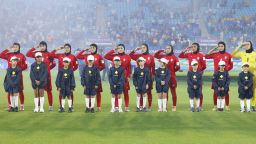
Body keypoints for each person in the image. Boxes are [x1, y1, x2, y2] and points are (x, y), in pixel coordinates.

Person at [26, 41, 55, 111]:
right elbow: (28, 54)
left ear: (46, 46)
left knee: (49, 91)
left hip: (47, 76)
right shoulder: (37, 54)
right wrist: (35, 47)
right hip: (38, 76)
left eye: (43, 46)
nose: (42, 47)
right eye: (41, 46)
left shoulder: (49, 54)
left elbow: (53, 63)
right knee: (38, 91)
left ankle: (50, 106)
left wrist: (48, 69)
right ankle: (38, 107)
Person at [76, 43, 105, 112]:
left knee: (98, 92)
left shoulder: (99, 56)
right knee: (88, 93)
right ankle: (89, 107)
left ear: (96, 49)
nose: (92, 49)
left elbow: (103, 66)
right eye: (91, 48)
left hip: (96, 78)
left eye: (93, 48)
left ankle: (98, 106)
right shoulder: (87, 55)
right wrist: (84, 50)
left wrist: (97, 71)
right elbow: (78, 56)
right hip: (87, 78)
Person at [205, 41, 233, 111]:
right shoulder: (215, 54)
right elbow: (206, 56)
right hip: (216, 75)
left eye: (222, 46)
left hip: (225, 75)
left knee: (226, 91)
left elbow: (231, 66)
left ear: (224, 47)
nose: (220, 47)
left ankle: (227, 105)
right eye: (219, 46)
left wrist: (225, 71)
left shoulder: (229, 55)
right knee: (215, 91)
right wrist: (213, 49)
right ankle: (215, 106)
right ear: (218, 47)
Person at [0, 43, 27, 111]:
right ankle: (10, 106)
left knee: (20, 90)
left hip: (18, 76)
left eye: (16, 47)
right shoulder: (9, 54)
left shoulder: (22, 56)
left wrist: (19, 70)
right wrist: (9, 48)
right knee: (9, 91)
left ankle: (21, 105)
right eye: (14, 47)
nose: (15, 48)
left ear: (19, 48)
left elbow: (25, 65)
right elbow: (1, 55)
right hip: (9, 76)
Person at [104, 44, 132, 112]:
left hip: (124, 77)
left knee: (125, 92)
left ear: (124, 49)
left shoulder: (127, 57)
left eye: (121, 48)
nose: (120, 49)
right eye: (118, 48)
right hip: (115, 77)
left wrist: (129, 76)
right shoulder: (114, 56)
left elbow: (129, 67)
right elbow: (106, 56)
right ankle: (116, 107)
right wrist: (114, 50)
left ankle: (126, 106)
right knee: (116, 92)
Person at [179, 42, 206, 110]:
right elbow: (180, 56)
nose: (193, 48)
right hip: (190, 75)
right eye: (192, 46)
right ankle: (192, 106)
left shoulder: (201, 55)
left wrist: (199, 72)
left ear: (197, 48)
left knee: (199, 91)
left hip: (198, 75)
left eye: (195, 47)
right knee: (191, 90)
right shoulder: (189, 54)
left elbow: (204, 66)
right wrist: (186, 49)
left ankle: (200, 106)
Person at [51, 43, 78, 111]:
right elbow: (51, 54)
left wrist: (70, 71)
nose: (66, 49)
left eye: (68, 48)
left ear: (70, 49)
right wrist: (57, 49)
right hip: (61, 75)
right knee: (61, 92)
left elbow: (76, 66)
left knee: (70, 92)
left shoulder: (73, 57)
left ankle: (71, 106)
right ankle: (61, 106)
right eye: (65, 47)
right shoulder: (60, 55)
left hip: (69, 75)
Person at [154, 45, 180, 111]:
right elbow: (155, 55)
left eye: (169, 48)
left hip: (172, 78)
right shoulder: (163, 56)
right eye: (166, 48)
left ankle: (174, 106)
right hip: (164, 78)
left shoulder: (174, 57)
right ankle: (165, 106)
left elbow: (178, 67)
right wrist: (162, 51)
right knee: (165, 92)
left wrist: (172, 71)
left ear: (172, 49)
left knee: (173, 92)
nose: (167, 49)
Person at [129, 43, 155, 111]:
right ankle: (140, 106)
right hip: (139, 78)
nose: (142, 49)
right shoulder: (138, 56)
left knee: (148, 92)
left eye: (144, 47)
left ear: (147, 48)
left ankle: (149, 106)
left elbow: (153, 67)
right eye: (141, 48)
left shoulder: (151, 57)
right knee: (140, 92)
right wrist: (135, 50)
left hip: (147, 78)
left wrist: (152, 76)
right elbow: (130, 55)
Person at [232, 41, 256, 111]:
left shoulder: (255, 54)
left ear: (251, 45)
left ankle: (253, 105)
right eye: (245, 45)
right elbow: (233, 54)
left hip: (253, 74)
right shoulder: (242, 53)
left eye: (248, 44)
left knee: (254, 90)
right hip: (244, 74)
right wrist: (240, 46)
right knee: (244, 90)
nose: (246, 46)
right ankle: (244, 106)